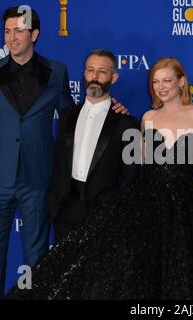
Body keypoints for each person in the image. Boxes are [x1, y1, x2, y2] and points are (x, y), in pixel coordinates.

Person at [6, 57, 193, 299]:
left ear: (181, 82)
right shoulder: (147, 118)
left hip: (185, 207)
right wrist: (117, 114)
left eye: (167, 80)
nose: (161, 86)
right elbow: (135, 161)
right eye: (156, 81)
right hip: (146, 203)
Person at [0, 7, 125, 300]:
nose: (11, 38)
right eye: (7, 31)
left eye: (18, 31)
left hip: (38, 180)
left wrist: (112, 111)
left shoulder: (56, 72)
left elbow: (73, 117)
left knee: (37, 259)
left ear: (34, 35)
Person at [48, 49, 139, 243]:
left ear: (114, 78)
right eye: (90, 70)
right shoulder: (67, 115)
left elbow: (131, 177)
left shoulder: (127, 123)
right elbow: (58, 161)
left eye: (102, 71)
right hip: (65, 210)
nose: (94, 77)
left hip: (104, 214)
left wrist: (116, 212)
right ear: (84, 74)